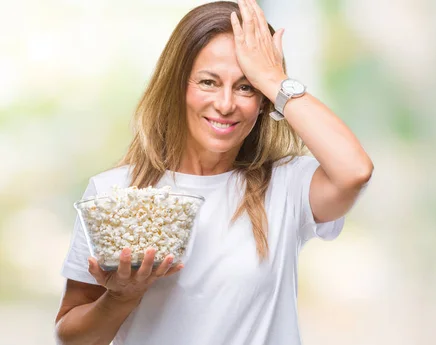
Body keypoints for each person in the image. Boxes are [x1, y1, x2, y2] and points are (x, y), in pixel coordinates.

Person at [54, 0, 373, 344]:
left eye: (245, 86)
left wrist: (273, 78)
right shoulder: (113, 194)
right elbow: (71, 338)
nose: (225, 104)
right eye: (208, 82)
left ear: (264, 100)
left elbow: (354, 171)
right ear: (179, 86)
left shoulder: (286, 184)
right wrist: (121, 297)